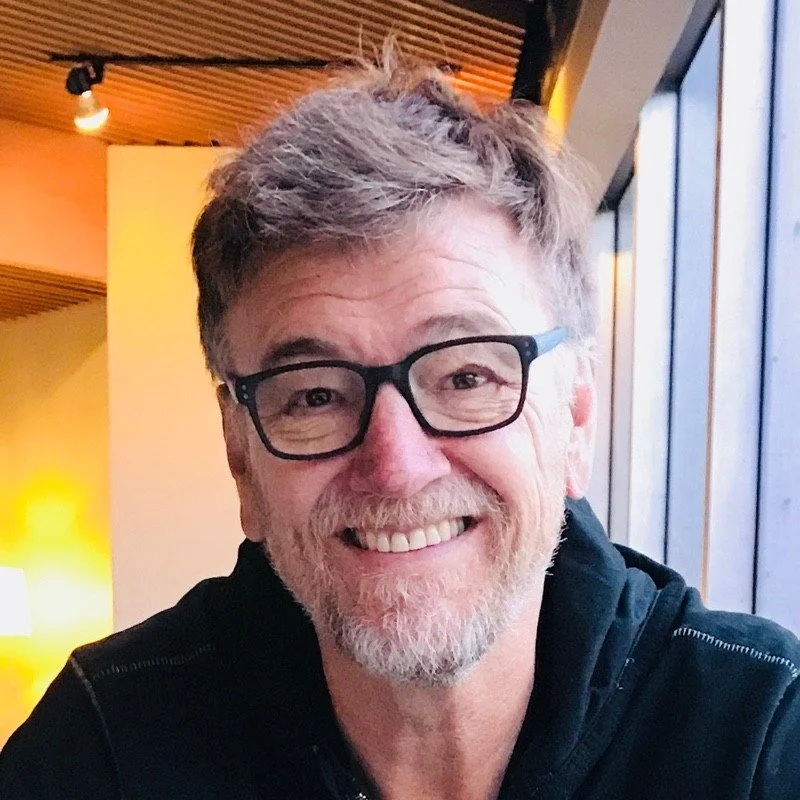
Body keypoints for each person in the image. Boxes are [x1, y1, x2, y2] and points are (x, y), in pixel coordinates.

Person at [2, 50, 798, 800]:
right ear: (241, 459)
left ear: (576, 419)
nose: (396, 465)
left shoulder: (759, 738)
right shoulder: (102, 752)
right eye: (314, 394)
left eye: (466, 377)